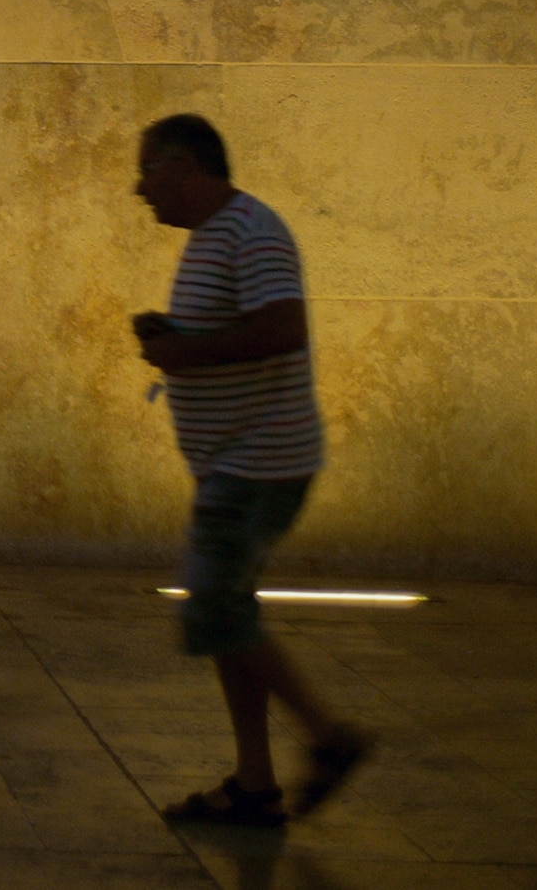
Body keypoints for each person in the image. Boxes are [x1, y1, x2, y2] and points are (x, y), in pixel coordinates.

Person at [130, 112, 373, 828]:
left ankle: (329, 739)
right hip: (236, 460)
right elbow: (241, 325)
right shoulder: (217, 238)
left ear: (184, 168)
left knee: (214, 606)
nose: (139, 191)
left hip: (257, 462)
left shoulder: (252, 231)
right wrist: (177, 337)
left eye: (147, 172)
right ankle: (255, 783)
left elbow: (281, 327)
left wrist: (185, 355)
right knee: (230, 616)